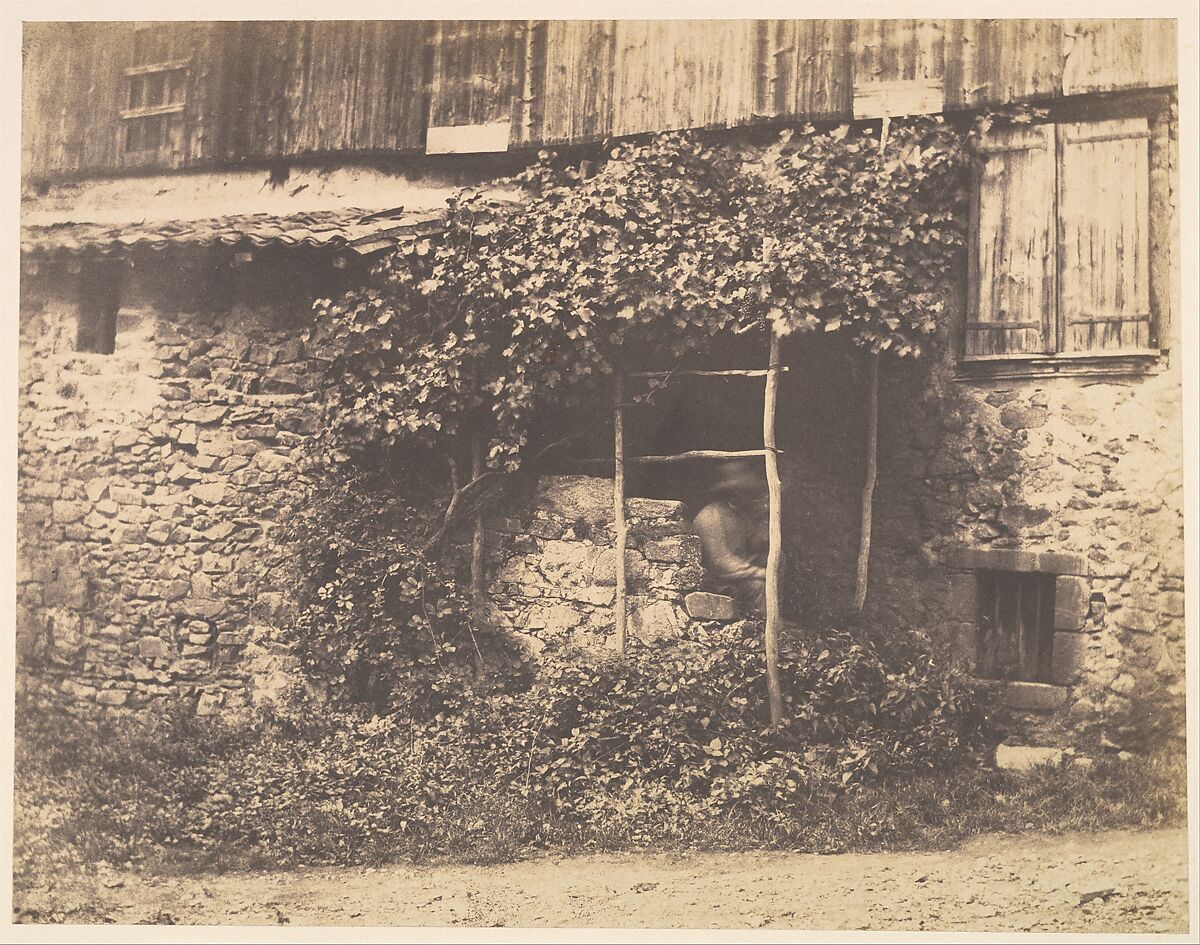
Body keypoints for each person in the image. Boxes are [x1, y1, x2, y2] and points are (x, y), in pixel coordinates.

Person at [691, 460, 772, 613]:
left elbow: (752, 545)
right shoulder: (710, 516)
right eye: (742, 490)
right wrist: (759, 572)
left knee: (777, 558)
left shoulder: (737, 512)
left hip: (738, 571)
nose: (748, 495)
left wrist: (764, 520)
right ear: (731, 492)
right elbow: (720, 562)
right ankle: (763, 620)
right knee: (758, 585)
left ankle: (774, 613)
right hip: (718, 580)